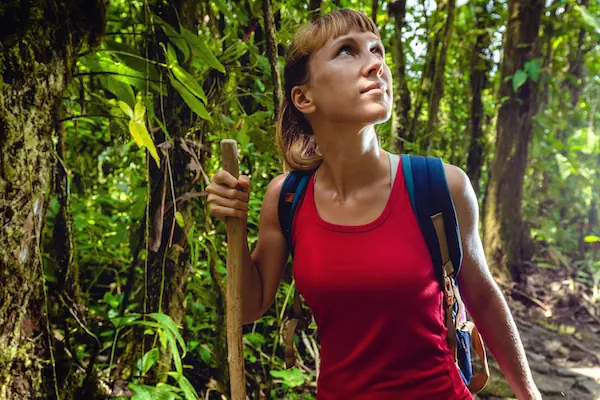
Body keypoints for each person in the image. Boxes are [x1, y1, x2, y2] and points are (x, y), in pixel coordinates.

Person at [207, 8, 541, 400]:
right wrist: (233, 221)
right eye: (348, 51)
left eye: (377, 50)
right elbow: (248, 307)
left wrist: (530, 395)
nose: (375, 65)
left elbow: (482, 298)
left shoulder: (441, 186)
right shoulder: (287, 198)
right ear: (303, 96)